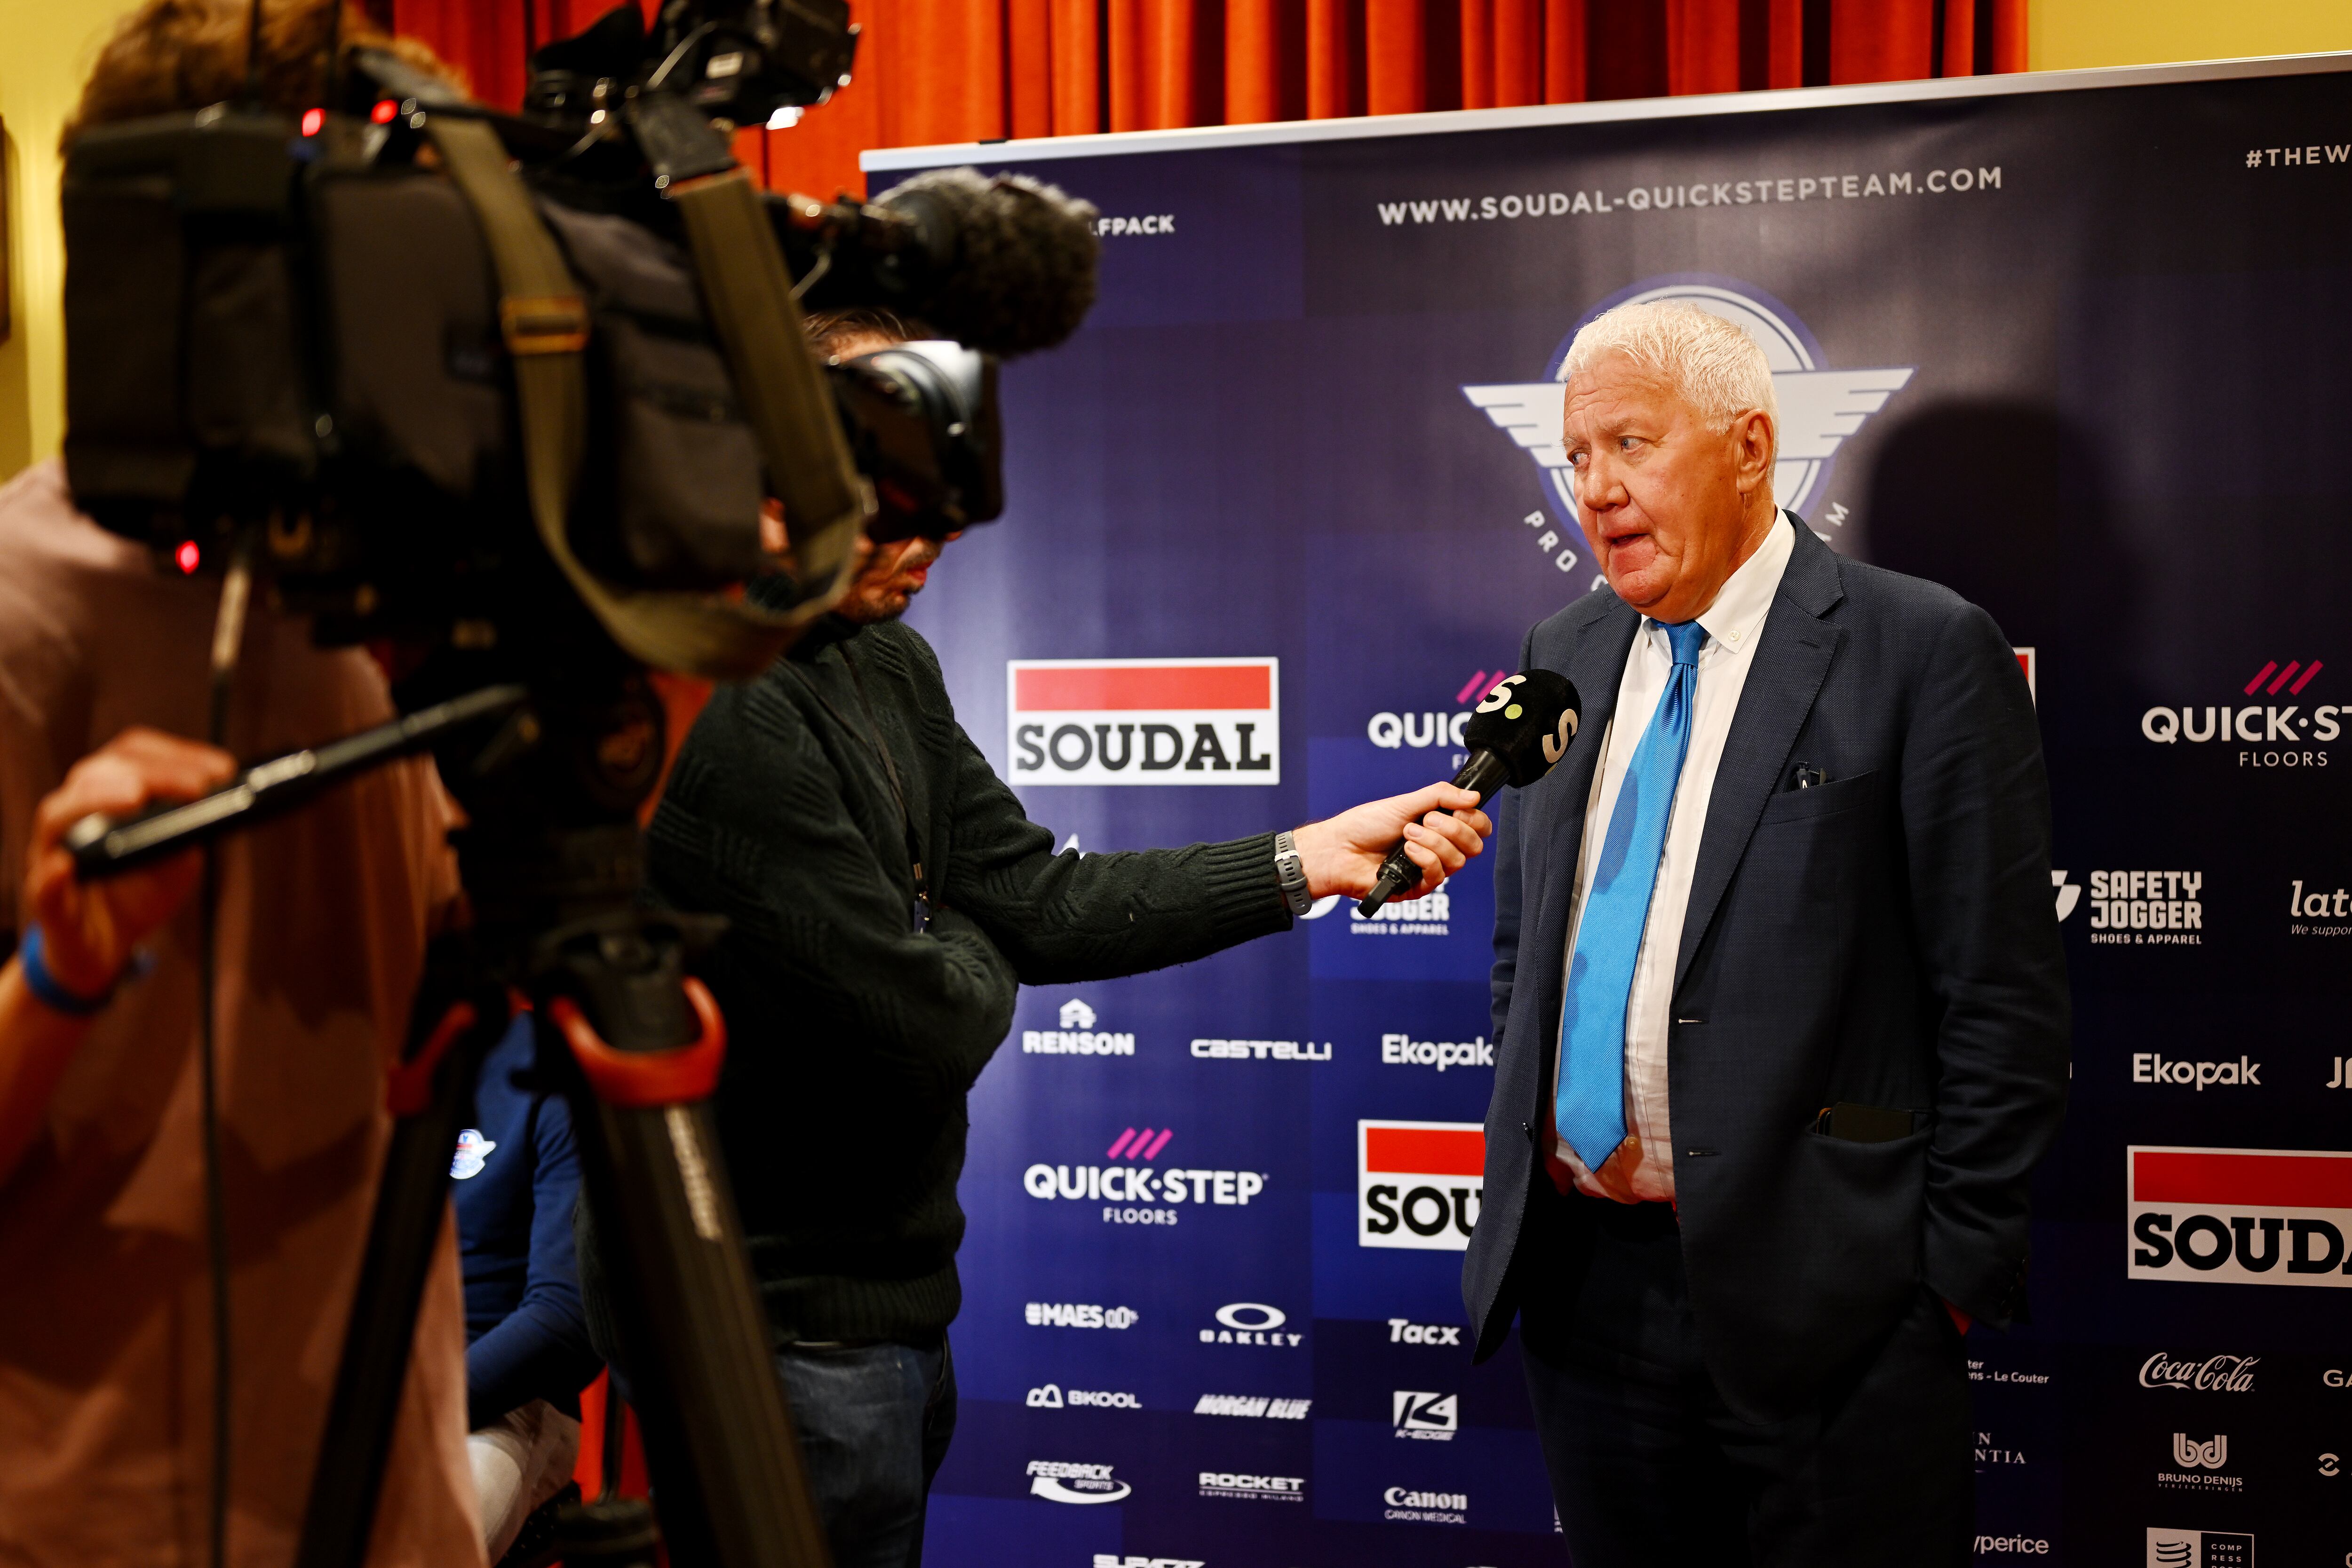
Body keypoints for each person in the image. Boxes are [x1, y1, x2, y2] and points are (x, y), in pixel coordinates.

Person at [638, 309, 1495, 1567]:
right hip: (769, 1340)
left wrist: (1311, 856)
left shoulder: (886, 662)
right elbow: (916, 1017)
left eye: (946, 488)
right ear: (777, 472)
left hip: (890, 1319)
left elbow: (1034, 898)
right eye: (897, 491)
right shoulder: (715, 705)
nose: (935, 538)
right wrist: (974, 954)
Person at [1465, 301, 2069, 1566]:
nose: (1598, 489)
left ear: (1749, 444)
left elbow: (2001, 1000)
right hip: (1585, 1290)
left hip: (1833, 1303)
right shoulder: (1563, 649)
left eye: (1632, 443)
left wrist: (1935, 1288)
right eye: (1575, 458)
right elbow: (1531, 950)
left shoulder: (1919, 648)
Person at [0, 5, 485, 1563]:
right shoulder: (20, 607)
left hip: (387, 1494)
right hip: (107, 1517)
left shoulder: (383, 595)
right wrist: (60, 978)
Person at [454, 1010, 602, 1563]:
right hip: (351, 1395)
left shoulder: (546, 1066)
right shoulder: (336, 1066)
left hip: (501, 1400)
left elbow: (566, 1317)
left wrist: (418, 1413)